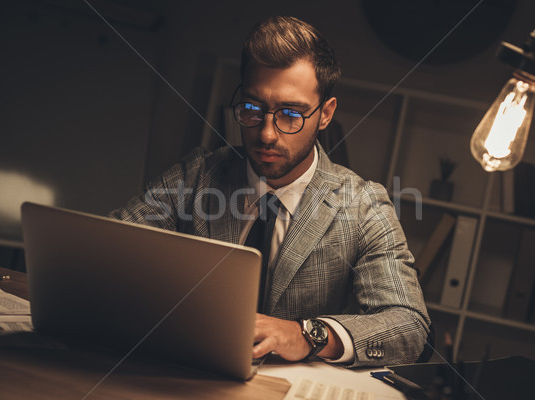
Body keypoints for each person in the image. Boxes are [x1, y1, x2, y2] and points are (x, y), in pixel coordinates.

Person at [109, 16, 431, 367]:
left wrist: (307, 334)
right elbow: (105, 251)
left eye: (290, 114)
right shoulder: (197, 175)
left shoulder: (363, 205)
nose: (266, 134)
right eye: (252, 108)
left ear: (325, 114)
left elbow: (409, 325)